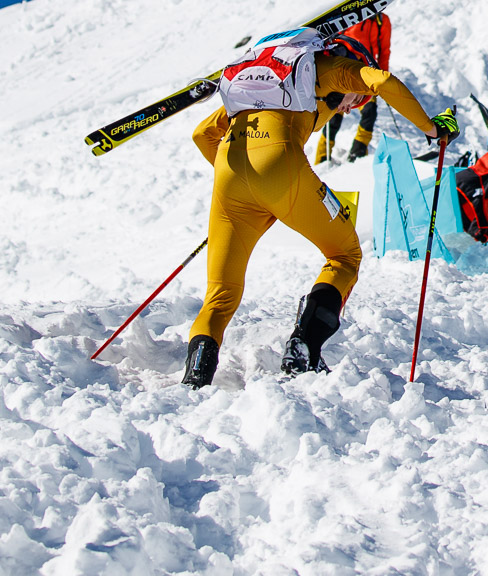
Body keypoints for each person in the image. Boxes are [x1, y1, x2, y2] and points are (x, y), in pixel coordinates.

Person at [181, 32, 456, 387]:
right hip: (280, 169)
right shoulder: (332, 69)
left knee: (220, 294)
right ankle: (303, 349)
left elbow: (203, 133)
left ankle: (196, 375)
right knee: (345, 255)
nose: (351, 107)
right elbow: (383, 80)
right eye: (356, 100)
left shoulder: (272, 83)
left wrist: (247, 192)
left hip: (229, 176)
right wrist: (432, 130)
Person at [315, 0, 391, 164]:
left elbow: (384, 51)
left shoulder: (381, 20)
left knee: (369, 111)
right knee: (336, 110)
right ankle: (322, 158)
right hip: (343, 65)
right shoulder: (344, 15)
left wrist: (382, 78)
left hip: (366, 70)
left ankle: (358, 153)